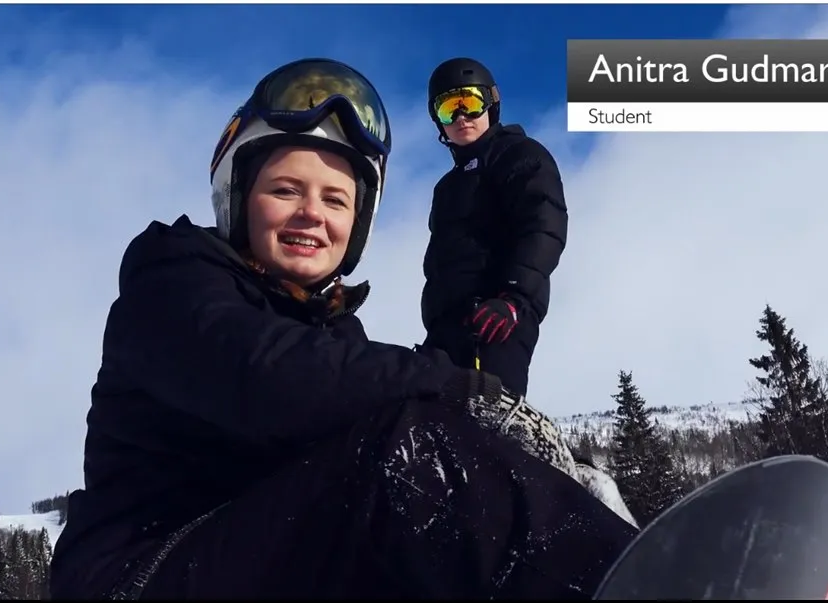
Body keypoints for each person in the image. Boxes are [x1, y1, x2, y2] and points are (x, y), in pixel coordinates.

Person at [49, 57, 637, 601]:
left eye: (336, 200)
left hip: (265, 558)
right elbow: (265, 377)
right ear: (239, 198)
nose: (312, 213)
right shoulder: (174, 282)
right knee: (414, 446)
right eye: (285, 190)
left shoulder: (333, 334)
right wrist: (466, 390)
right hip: (142, 572)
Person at [419, 57, 569, 398]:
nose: (461, 118)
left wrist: (515, 297)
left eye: (469, 103)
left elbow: (544, 224)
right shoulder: (447, 186)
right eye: (447, 110)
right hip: (446, 329)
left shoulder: (520, 155)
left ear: (491, 103)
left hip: (496, 318)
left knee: (487, 427)